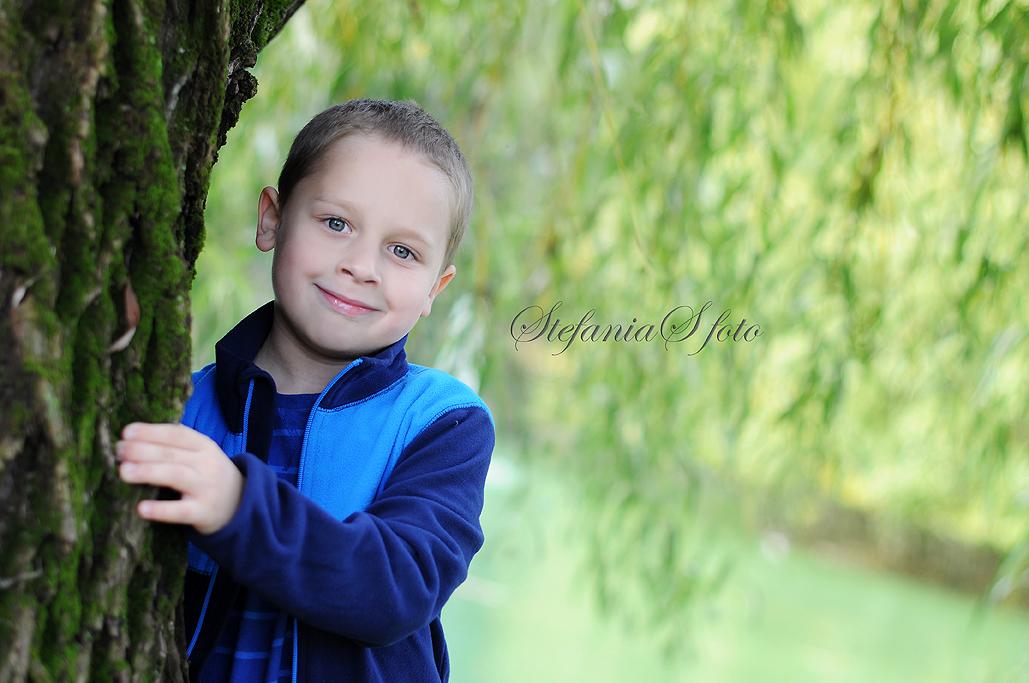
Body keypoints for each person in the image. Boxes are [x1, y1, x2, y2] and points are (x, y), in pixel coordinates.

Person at [114, 98, 495, 682]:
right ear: (272, 219)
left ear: (433, 290)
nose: (361, 266)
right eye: (337, 223)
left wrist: (239, 506)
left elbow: (396, 587)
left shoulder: (443, 424)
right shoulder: (181, 408)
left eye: (402, 251)